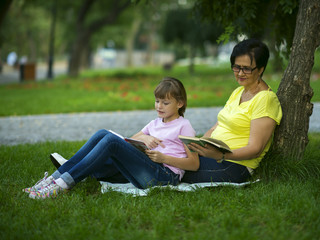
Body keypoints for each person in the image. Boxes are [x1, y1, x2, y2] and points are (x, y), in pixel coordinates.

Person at [23, 77, 199, 199]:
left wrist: (164, 158)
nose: (159, 106)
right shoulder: (155, 123)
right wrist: (145, 139)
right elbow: (133, 139)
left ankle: (63, 184)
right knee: (102, 133)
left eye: (165, 103)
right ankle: (53, 179)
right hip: (149, 165)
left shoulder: (184, 126)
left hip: (164, 176)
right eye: (157, 101)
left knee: (111, 142)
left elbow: (194, 163)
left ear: (180, 103)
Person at [182, 38, 282, 183]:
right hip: (215, 158)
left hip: (234, 166)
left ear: (261, 69)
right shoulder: (238, 92)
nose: (240, 73)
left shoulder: (266, 99)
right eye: (236, 67)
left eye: (246, 68)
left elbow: (256, 148)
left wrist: (221, 156)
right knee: (170, 157)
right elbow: (216, 127)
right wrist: (199, 146)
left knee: (170, 166)